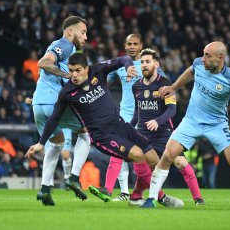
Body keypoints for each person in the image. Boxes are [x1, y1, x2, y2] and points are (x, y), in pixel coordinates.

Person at [26, 52, 183, 208]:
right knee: (138, 154)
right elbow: (54, 118)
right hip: (102, 135)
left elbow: (123, 59)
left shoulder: (98, 71)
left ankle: (136, 197)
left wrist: (128, 67)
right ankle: (159, 198)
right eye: (71, 70)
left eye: (78, 70)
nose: (74, 75)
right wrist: (41, 143)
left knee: (153, 159)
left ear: (86, 69)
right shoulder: (67, 93)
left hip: (120, 125)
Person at [141, 41, 230, 208]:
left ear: (220, 58)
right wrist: (174, 87)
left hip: (217, 124)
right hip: (191, 121)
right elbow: (191, 72)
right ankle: (151, 199)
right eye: (204, 54)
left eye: (208, 55)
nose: (203, 58)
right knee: (168, 155)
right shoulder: (199, 64)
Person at [130, 48, 204, 205]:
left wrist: (157, 121)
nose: (144, 65)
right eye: (142, 62)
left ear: (156, 64)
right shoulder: (136, 86)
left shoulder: (165, 85)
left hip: (163, 134)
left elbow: (172, 110)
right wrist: (128, 127)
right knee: (146, 166)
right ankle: (137, 196)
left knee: (181, 163)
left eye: (148, 62)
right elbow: (137, 111)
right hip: (143, 134)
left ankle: (198, 199)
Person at [30, 16, 91, 205]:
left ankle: (45, 188)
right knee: (85, 134)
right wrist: (68, 76)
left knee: (55, 144)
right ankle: (73, 177)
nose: (86, 37)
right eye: (83, 32)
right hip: (54, 103)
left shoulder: (69, 49)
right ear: (70, 31)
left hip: (38, 105)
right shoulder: (64, 44)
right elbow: (43, 63)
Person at [105, 34, 166, 201]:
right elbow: (104, 80)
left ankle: (153, 192)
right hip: (125, 115)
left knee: (148, 157)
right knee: (119, 150)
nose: (132, 46)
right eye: (129, 44)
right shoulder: (119, 65)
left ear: (141, 46)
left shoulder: (148, 63)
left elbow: (165, 84)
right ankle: (123, 192)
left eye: (135, 44)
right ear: (125, 46)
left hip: (146, 116)